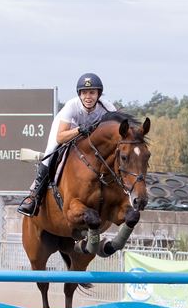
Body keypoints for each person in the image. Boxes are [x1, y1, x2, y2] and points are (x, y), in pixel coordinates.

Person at [18, 72, 116, 217]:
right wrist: (79, 130)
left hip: (92, 140)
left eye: (92, 92)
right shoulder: (71, 106)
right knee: (51, 153)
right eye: (84, 93)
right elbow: (60, 137)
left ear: (98, 94)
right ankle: (35, 196)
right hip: (68, 132)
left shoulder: (108, 109)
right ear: (79, 94)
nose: (88, 97)